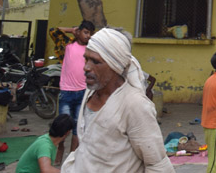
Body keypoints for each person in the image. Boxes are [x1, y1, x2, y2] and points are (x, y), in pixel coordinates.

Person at [60, 27, 172, 173]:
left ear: (115, 66)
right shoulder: (90, 92)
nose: (86, 67)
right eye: (86, 58)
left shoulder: (134, 104)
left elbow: (157, 164)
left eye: (96, 62)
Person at [57, 20, 95, 155]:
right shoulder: (68, 45)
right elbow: (54, 31)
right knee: (62, 125)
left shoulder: (91, 49)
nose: (88, 36)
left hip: (83, 92)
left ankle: (72, 156)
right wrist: (72, 30)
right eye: (85, 32)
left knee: (78, 126)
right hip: (67, 92)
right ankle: (59, 151)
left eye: (90, 33)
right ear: (78, 32)